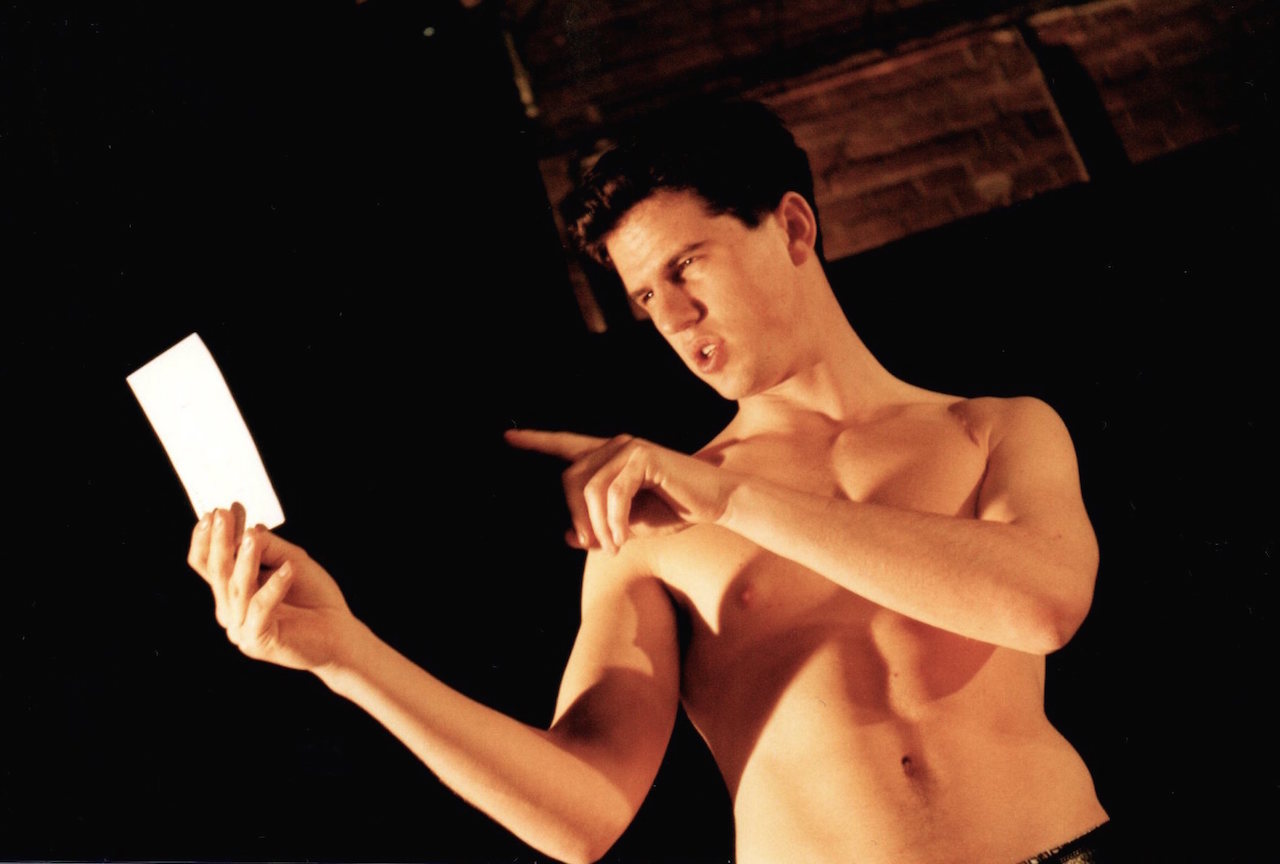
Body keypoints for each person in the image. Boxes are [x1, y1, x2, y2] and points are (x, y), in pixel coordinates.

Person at [187, 101, 1121, 863]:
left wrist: (732, 498)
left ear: (793, 227)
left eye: (686, 266)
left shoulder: (992, 430)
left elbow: (1041, 605)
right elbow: (583, 811)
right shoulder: (651, 521)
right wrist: (348, 656)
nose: (673, 317)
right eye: (644, 296)